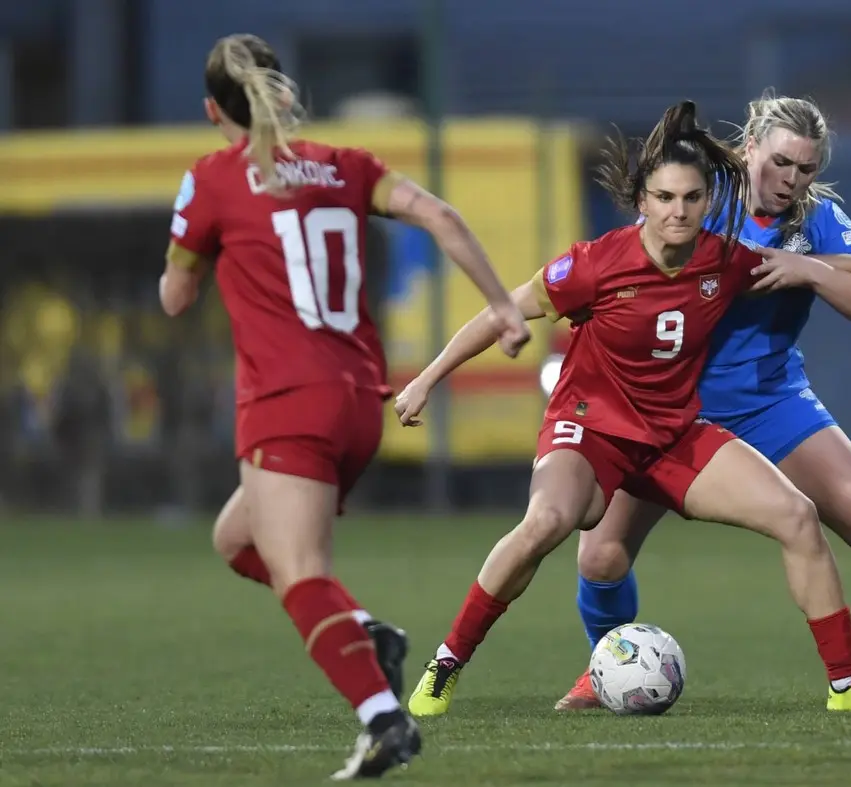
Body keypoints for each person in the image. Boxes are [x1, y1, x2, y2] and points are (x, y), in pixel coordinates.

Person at [397, 99, 851, 718]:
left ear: (708, 203)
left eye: (692, 199)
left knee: (797, 516)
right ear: (643, 202)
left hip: (672, 433)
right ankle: (445, 665)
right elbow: (502, 311)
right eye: (666, 198)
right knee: (549, 525)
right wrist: (427, 378)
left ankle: (848, 685)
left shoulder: (721, 259)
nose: (679, 211)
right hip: (591, 429)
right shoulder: (592, 265)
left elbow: (814, 266)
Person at [555, 92, 851, 712]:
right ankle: (606, 670)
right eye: (779, 162)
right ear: (749, 147)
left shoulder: (818, 220)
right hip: (670, 407)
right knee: (601, 553)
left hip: (770, 399)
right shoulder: (704, 197)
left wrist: (812, 270)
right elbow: (693, 262)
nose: (790, 180)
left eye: (806, 168)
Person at [160, 34, 528, 779]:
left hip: (286, 401)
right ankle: (367, 631)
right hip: (359, 401)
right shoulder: (345, 165)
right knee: (237, 539)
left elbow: (174, 299)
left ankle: (383, 719)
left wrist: (194, 256)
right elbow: (443, 216)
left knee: (299, 574)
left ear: (210, 110)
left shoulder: (213, 180)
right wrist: (503, 308)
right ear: (282, 93)